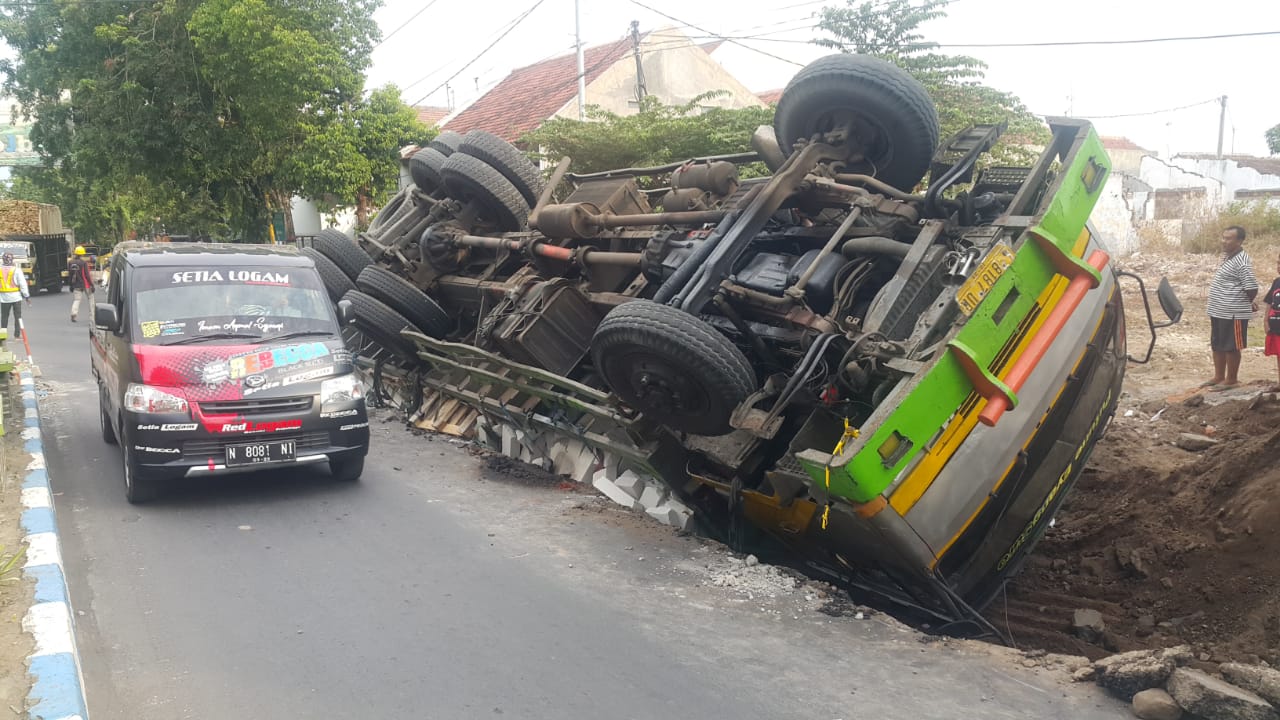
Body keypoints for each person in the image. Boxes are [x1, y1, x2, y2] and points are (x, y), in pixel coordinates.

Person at [1204, 225, 1258, 390]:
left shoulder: (1242, 261)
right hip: (1218, 310)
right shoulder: (1227, 257)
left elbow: (1251, 287)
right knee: (1218, 344)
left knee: (1231, 346)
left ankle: (1231, 380)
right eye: (1223, 237)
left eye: (1228, 238)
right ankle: (1219, 376)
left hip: (1233, 312)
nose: (1224, 241)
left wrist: (1246, 301)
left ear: (1239, 241)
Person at [0, 251, 31, 339]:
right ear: (12, 259)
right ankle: (17, 335)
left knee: (4, 317)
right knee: (18, 316)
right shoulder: (16, 270)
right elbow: (23, 284)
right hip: (16, 297)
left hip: (3, 298)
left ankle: (3, 336)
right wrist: (27, 296)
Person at [1264, 252, 1280, 392]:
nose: (1279, 266)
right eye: (1278, 263)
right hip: (1276, 326)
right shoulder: (1276, 282)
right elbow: (1269, 302)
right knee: (1279, 356)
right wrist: (1265, 321)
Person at [68, 245, 92, 322]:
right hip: (86, 284)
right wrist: (92, 284)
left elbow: (70, 275)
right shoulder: (83, 263)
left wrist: (71, 285)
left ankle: (74, 314)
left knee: (77, 300)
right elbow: (87, 275)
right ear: (82, 254)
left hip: (76, 284)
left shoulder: (70, 262)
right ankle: (92, 317)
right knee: (91, 300)